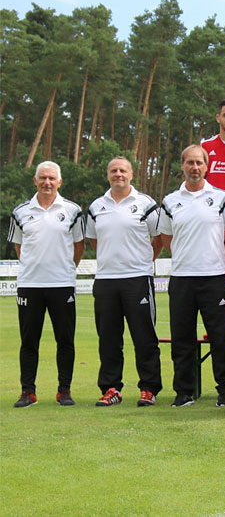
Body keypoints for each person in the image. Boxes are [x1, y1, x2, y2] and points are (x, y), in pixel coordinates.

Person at [158, 145, 225, 407]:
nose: (195, 167)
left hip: (214, 277)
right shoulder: (170, 201)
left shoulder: (221, 197)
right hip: (182, 278)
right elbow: (166, 236)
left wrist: (218, 257)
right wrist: (184, 256)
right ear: (182, 165)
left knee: (220, 336)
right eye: (190, 163)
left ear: (207, 166)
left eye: (199, 163)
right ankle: (184, 392)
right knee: (181, 337)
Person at [85, 157, 163, 407]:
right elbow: (95, 241)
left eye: (122, 170)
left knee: (144, 337)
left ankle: (149, 388)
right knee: (108, 339)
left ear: (131, 174)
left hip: (137, 279)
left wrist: (143, 260)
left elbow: (160, 237)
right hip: (106, 280)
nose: (118, 174)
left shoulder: (146, 203)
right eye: (113, 170)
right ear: (108, 175)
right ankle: (111, 389)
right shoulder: (96, 206)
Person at [9, 161, 85, 408]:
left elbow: (79, 246)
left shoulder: (73, 210)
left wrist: (64, 269)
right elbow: (20, 248)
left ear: (59, 182)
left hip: (62, 284)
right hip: (30, 285)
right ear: (35, 180)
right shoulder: (20, 212)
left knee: (65, 340)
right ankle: (27, 392)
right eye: (42, 178)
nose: (47, 182)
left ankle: (64, 391)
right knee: (29, 342)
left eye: (52, 178)